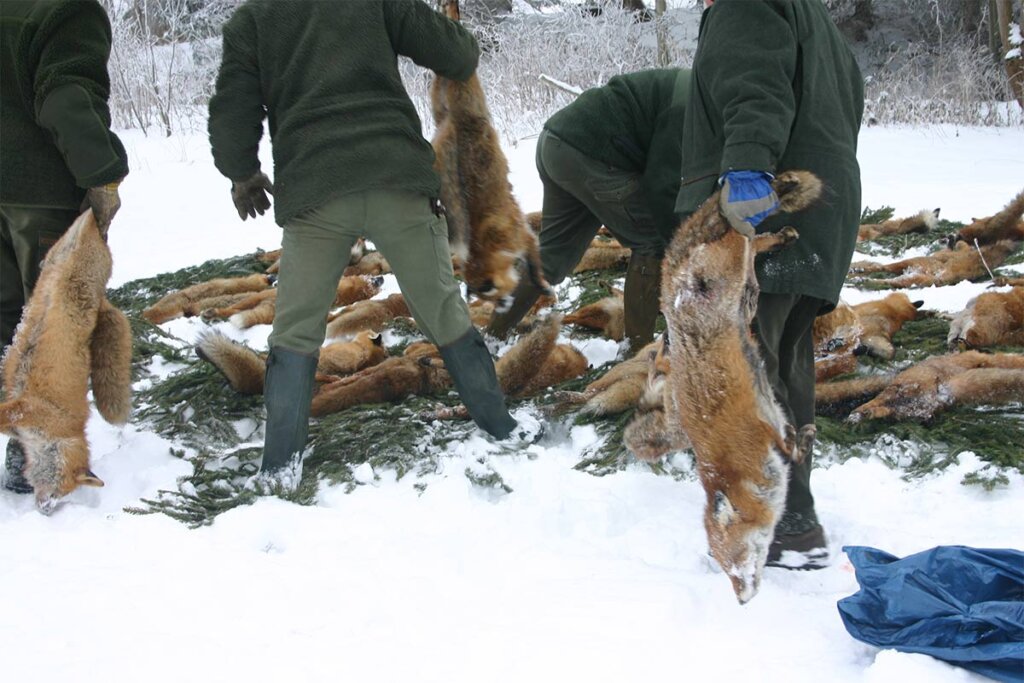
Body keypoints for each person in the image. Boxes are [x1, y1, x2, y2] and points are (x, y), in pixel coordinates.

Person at [208, 0, 520, 480]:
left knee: (294, 334)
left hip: (315, 191)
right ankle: (501, 429)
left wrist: (242, 173)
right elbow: (458, 55)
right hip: (396, 178)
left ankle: (279, 468)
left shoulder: (251, 20)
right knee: (443, 310)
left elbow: (233, 108)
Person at [674, 0, 864, 568]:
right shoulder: (816, 23)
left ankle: (763, 525)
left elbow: (754, 85)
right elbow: (848, 104)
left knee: (738, 372)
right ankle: (794, 520)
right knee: (784, 364)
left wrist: (747, 162)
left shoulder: (746, 4)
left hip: (765, 212)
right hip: (822, 208)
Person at [0, 0, 129, 494]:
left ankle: (17, 434)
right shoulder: (66, 10)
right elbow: (66, 96)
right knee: (54, 327)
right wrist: (103, 177)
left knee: (7, 317)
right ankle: (34, 455)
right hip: (41, 192)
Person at [487, 68, 690, 351]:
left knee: (551, 258)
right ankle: (637, 353)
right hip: (591, 153)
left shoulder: (691, 88)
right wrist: (680, 246)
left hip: (556, 143)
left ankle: (491, 336)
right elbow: (662, 184)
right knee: (653, 241)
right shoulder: (689, 105)